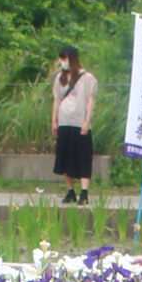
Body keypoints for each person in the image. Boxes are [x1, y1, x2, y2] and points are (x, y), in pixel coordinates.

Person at [51, 44, 97, 206]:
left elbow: (90, 100)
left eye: (65, 58)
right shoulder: (60, 78)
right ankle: (70, 191)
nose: (63, 61)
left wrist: (87, 121)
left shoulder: (87, 78)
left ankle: (84, 192)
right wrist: (54, 120)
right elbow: (56, 100)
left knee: (83, 156)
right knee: (65, 157)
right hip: (65, 121)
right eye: (61, 58)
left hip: (80, 122)